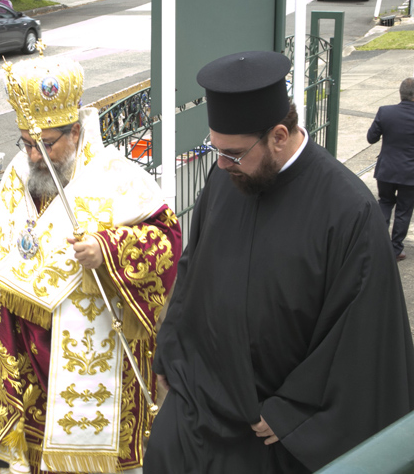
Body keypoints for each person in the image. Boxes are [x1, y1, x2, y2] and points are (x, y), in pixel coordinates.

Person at [145, 50, 414, 473]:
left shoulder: (348, 212)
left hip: (268, 425)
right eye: (214, 149)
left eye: (232, 153)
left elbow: (361, 335)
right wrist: (171, 347)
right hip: (204, 397)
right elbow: (195, 269)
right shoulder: (226, 177)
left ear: (279, 136)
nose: (220, 164)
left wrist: (294, 412)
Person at [0, 52, 182, 473]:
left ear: (76, 131)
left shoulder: (118, 178)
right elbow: (1, 221)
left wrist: (108, 249)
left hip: (90, 354)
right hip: (25, 356)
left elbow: (167, 238)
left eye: (46, 143)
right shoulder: (18, 173)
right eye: (26, 143)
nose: (35, 156)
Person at [367, 77, 414, 261]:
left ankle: (377, 243)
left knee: (385, 203)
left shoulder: (385, 112)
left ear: (400, 94)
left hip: (386, 170)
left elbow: (371, 138)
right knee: (404, 210)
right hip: (410, 174)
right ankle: (395, 250)